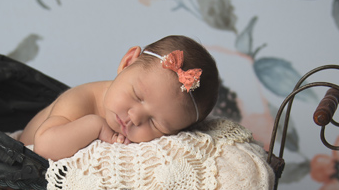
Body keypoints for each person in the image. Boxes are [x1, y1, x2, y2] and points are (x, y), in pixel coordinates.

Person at [20, 35, 219, 160]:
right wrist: (95, 126)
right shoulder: (80, 99)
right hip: (15, 174)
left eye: (156, 124)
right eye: (138, 96)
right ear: (127, 62)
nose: (135, 118)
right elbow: (43, 148)